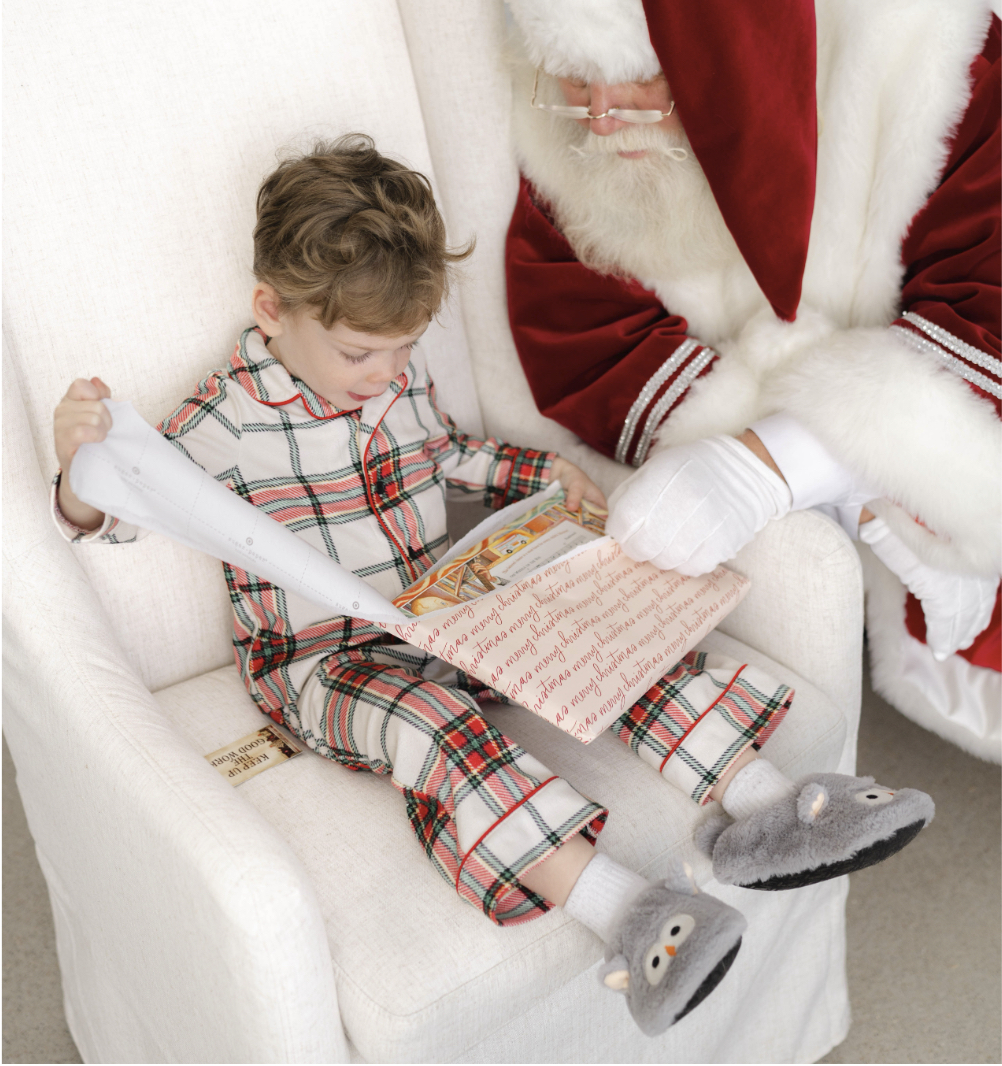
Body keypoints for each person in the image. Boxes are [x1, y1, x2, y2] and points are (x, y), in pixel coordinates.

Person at [51, 135, 931, 1033]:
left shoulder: (392, 379)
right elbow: (120, 511)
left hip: (441, 611)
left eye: (404, 350)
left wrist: (538, 474)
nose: (387, 375)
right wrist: (77, 465)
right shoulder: (218, 422)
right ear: (273, 310)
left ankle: (771, 812)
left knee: (594, 633)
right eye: (362, 354)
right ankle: (629, 917)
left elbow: (442, 454)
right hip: (326, 663)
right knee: (438, 730)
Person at [504, 0, 1000, 762]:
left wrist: (781, 461)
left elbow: (988, 299)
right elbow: (580, 325)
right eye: (578, 78)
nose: (599, 120)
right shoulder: (571, 119)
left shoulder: (933, 54)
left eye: (640, 81)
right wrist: (810, 468)